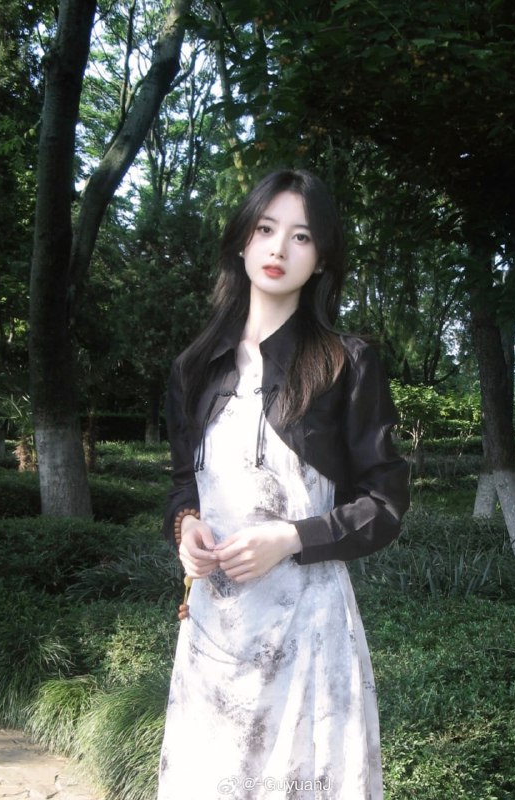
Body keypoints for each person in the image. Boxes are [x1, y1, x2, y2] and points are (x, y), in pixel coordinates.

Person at [157, 169, 409, 800]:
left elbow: (385, 504)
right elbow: (183, 484)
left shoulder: (346, 362)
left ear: (320, 257)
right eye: (266, 229)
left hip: (309, 634)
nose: (278, 248)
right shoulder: (194, 367)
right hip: (214, 633)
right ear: (242, 240)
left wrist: (292, 538)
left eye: (301, 236)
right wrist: (185, 527)